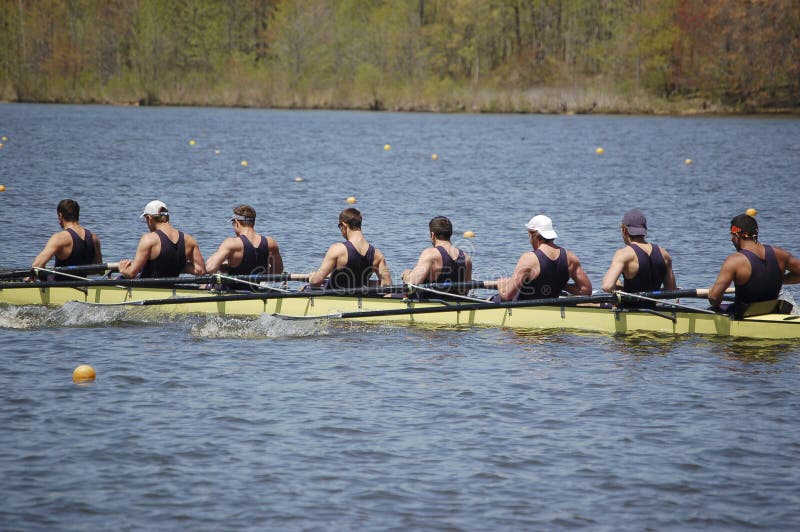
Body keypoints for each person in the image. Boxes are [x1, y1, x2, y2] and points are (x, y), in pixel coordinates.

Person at [708, 213, 800, 315]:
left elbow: (714, 298)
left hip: (744, 315)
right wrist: (778, 280)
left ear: (737, 235)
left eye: (732, 234)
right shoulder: (781, 254)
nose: (731, 239)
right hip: (772, 312)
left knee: (711, 310)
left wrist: (713, 292)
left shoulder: (734, 261)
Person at [495, 214, 592, 301]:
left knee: (494, 298)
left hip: (524, 309)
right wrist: (560, 285)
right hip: (550, 308)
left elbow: (507, 296)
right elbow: (586, 290)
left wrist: (502, 288)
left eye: (529, 236)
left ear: (534, 235)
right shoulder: (570, 257)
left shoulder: (529, 258)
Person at [118, 200, 205, 278]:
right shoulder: (189, 240)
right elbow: (200, 270)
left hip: (147, 289)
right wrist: (178, 265)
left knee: (117, 279)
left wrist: (123, 269)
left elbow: (132, 274)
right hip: (172, 288)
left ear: (149, 218)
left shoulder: (149, 239)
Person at [308, 207, 391, 288]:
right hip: (358, 298)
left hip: (333, 298)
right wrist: (366, 283)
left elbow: (316, 282)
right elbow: (387, 285)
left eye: (339, 227)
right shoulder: (377, 255)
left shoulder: (337, 249)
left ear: (344, 225)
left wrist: (312, 278)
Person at [601, 209, 677, 295]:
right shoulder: (664, 254)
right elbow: (672, 290)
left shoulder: (623, 254)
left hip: (629, 307)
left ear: (624, 230)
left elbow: (606, 287)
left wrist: (619, 287)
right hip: (652, 306)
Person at [401, 216, 472, 296]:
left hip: (430, 305)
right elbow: (466, 289)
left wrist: (406, 275)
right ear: (450, 234)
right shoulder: (466, 258)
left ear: (432, 235)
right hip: (458, 304)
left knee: (387, 295)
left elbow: (412, 284)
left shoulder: (430, 254)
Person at [205, 205, 284, 275]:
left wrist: (223, 266)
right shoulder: (270, 243)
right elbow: (277, 271)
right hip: (255, 290)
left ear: (236, 223)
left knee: (204, 285)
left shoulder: (231, 243)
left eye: (233, 224)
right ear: (253, 222)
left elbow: (209, 268)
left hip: (232, 290)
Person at [32, 199, 103, 268]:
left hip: (61, 280)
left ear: (60, 216)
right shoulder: (94, 239)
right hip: (82, 279)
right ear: (77, 215)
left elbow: (37, 265)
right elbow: (99, 270)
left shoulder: (59, 238)